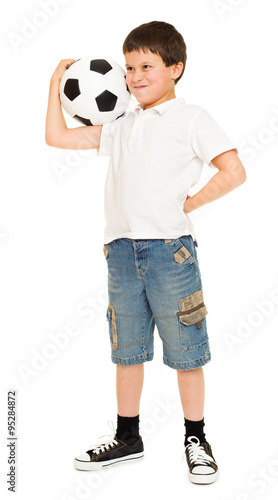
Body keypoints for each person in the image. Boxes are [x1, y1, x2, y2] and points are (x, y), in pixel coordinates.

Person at [45, 20, 246, 484]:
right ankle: (127, 438)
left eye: (147, 66)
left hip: (169, 253)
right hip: (120, 252)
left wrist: (188, 204)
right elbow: (57, 138)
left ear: (175, 68)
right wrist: (55, 83)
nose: (134, 76)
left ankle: (195, 439)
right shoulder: (120, 123)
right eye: (130, 66)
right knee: (127, 350)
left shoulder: (191, 117)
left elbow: (233, 170)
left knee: (186, 351)